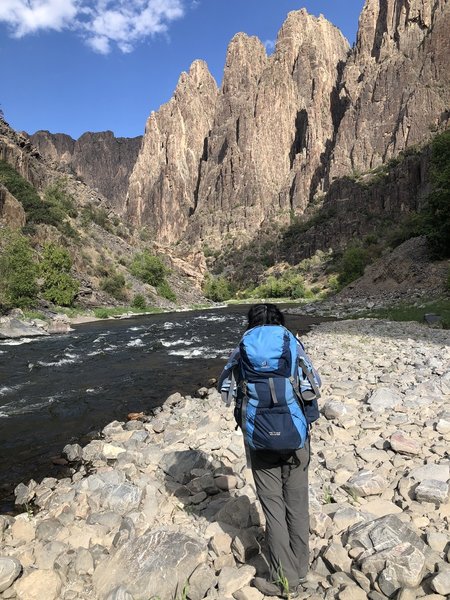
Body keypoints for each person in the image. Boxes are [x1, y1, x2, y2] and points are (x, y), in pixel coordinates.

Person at [218, 303, 321, 599]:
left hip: (260, 438)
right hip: (296, 436)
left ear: (251, 323)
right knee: (297, 503)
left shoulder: (242, 348)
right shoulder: (291, 342)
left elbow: (226, 388)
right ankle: (301, 570)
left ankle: (283, 579)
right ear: (280, 321)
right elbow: (314, 385)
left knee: (273, 509)